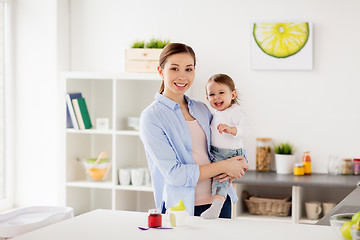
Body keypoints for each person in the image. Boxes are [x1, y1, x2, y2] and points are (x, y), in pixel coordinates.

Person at [139, 43, 248, 218]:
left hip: (219, 201)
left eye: (189, 69)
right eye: (174, 69)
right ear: (161, 71)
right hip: (183, 209)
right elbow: (174, 175)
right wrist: (225, 166)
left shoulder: (202, 109)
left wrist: (239, 161)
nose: (182, 76)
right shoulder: (152, 117)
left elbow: (220, 146)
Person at [200, 74, 248, 219]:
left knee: (220, 180)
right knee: (218, 178)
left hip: (229, 153)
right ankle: (216, 204)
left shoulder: (234, 111)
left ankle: (216, 206)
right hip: (217, 153)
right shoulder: (215, 113)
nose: (217, 97)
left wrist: (231, 130)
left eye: (221, 93)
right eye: (212, 94)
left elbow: (245, 128)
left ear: (232, 94)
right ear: (207, 99)